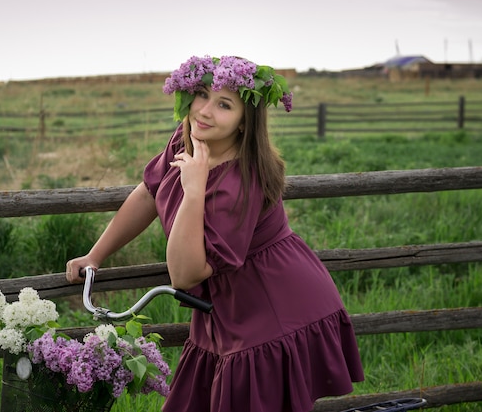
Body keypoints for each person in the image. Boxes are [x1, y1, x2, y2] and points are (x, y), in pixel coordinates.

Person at [66, 55, 364, 412]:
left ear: (243, 123)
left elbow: (185, 274)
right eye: (202, 95)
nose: (205, 111)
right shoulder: (188, 139)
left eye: (224, 105)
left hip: (272, 307)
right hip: (222, 308)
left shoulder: (240, 181)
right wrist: (96, 254)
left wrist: (194, 190)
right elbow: (148, 192)